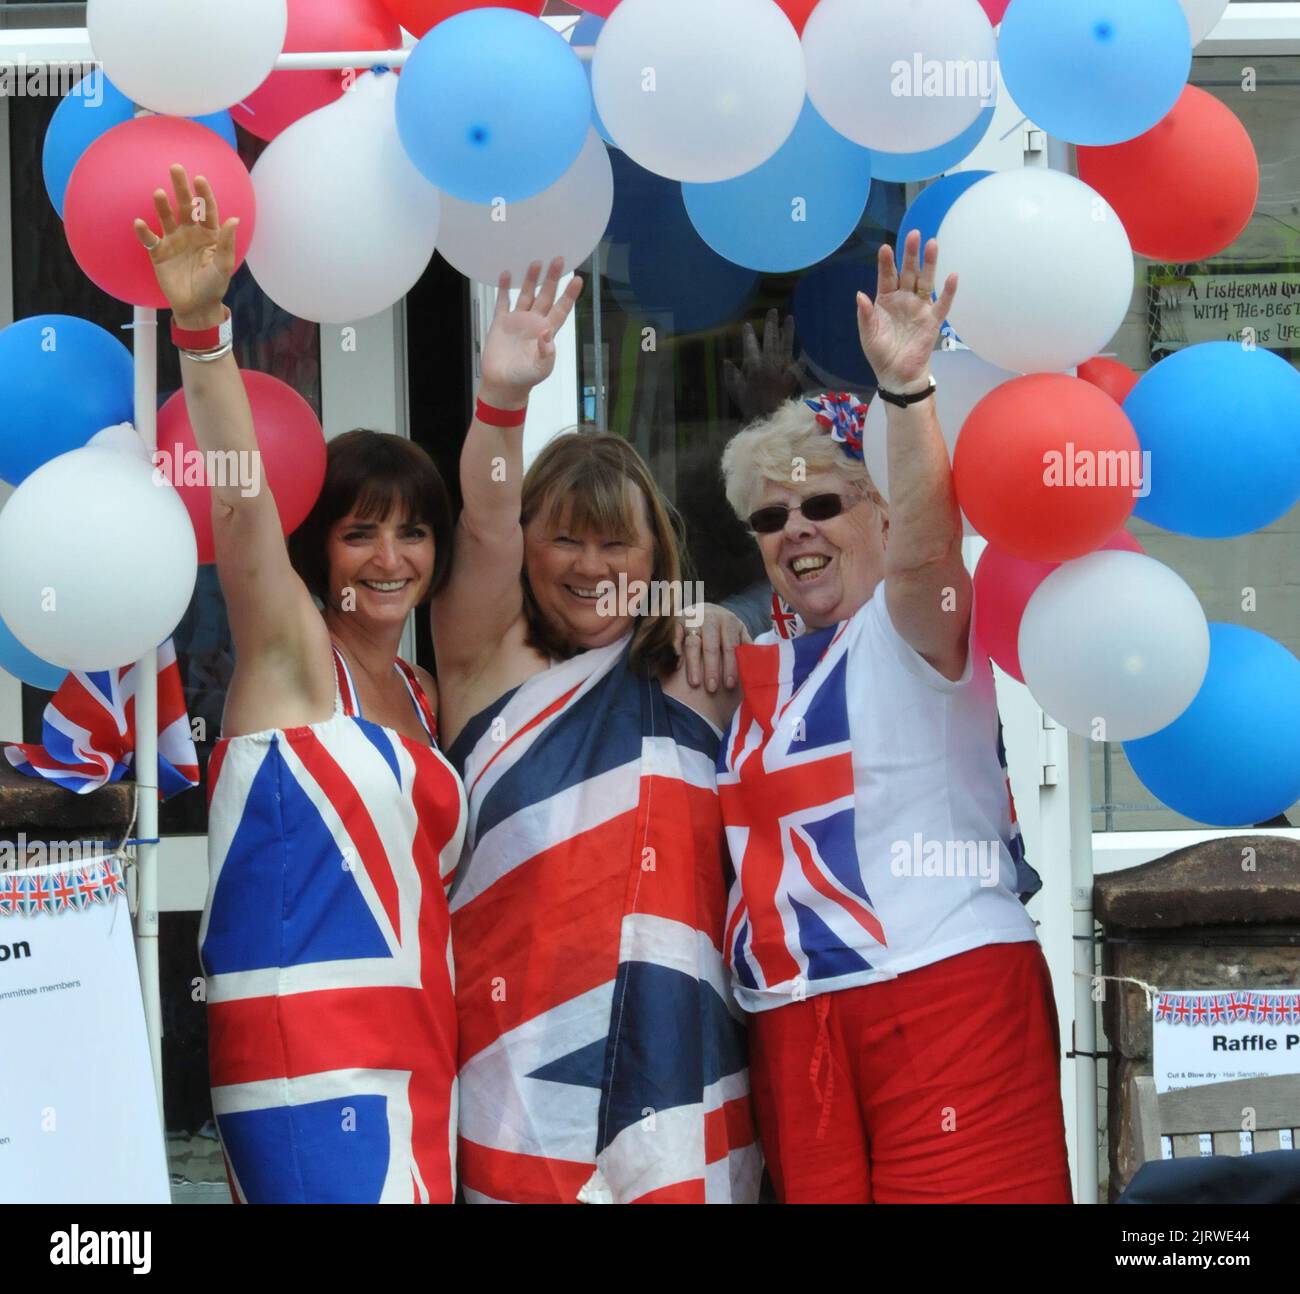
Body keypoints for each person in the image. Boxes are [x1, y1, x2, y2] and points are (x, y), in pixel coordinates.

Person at [715, 230, 1072, 1204]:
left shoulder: (909, 624)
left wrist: (907, 394)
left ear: (876, 511)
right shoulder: (753, 669)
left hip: (944, 993)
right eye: (769, 516)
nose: (796, 531)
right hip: (794, 1021)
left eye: (822, 503)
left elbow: (927, 550)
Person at [136, 165, 466, 1203]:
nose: (388, 557)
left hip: (419, 1053)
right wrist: (203, 328)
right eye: (359, 530)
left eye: (412, 531)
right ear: (318, 549)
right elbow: (238, 505)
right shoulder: (289, 647)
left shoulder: (422, 691)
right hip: (303, 1059)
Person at [432, 259, 761, 1204]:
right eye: (564, 538)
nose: (590, 565)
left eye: (616, 542)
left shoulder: (701, 676)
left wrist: (717, 620)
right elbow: (486, 517)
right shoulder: (483, 660)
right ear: (528, 544)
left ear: (655, 551)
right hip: (515, 1069)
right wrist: (502, 396)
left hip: (684, 1066)